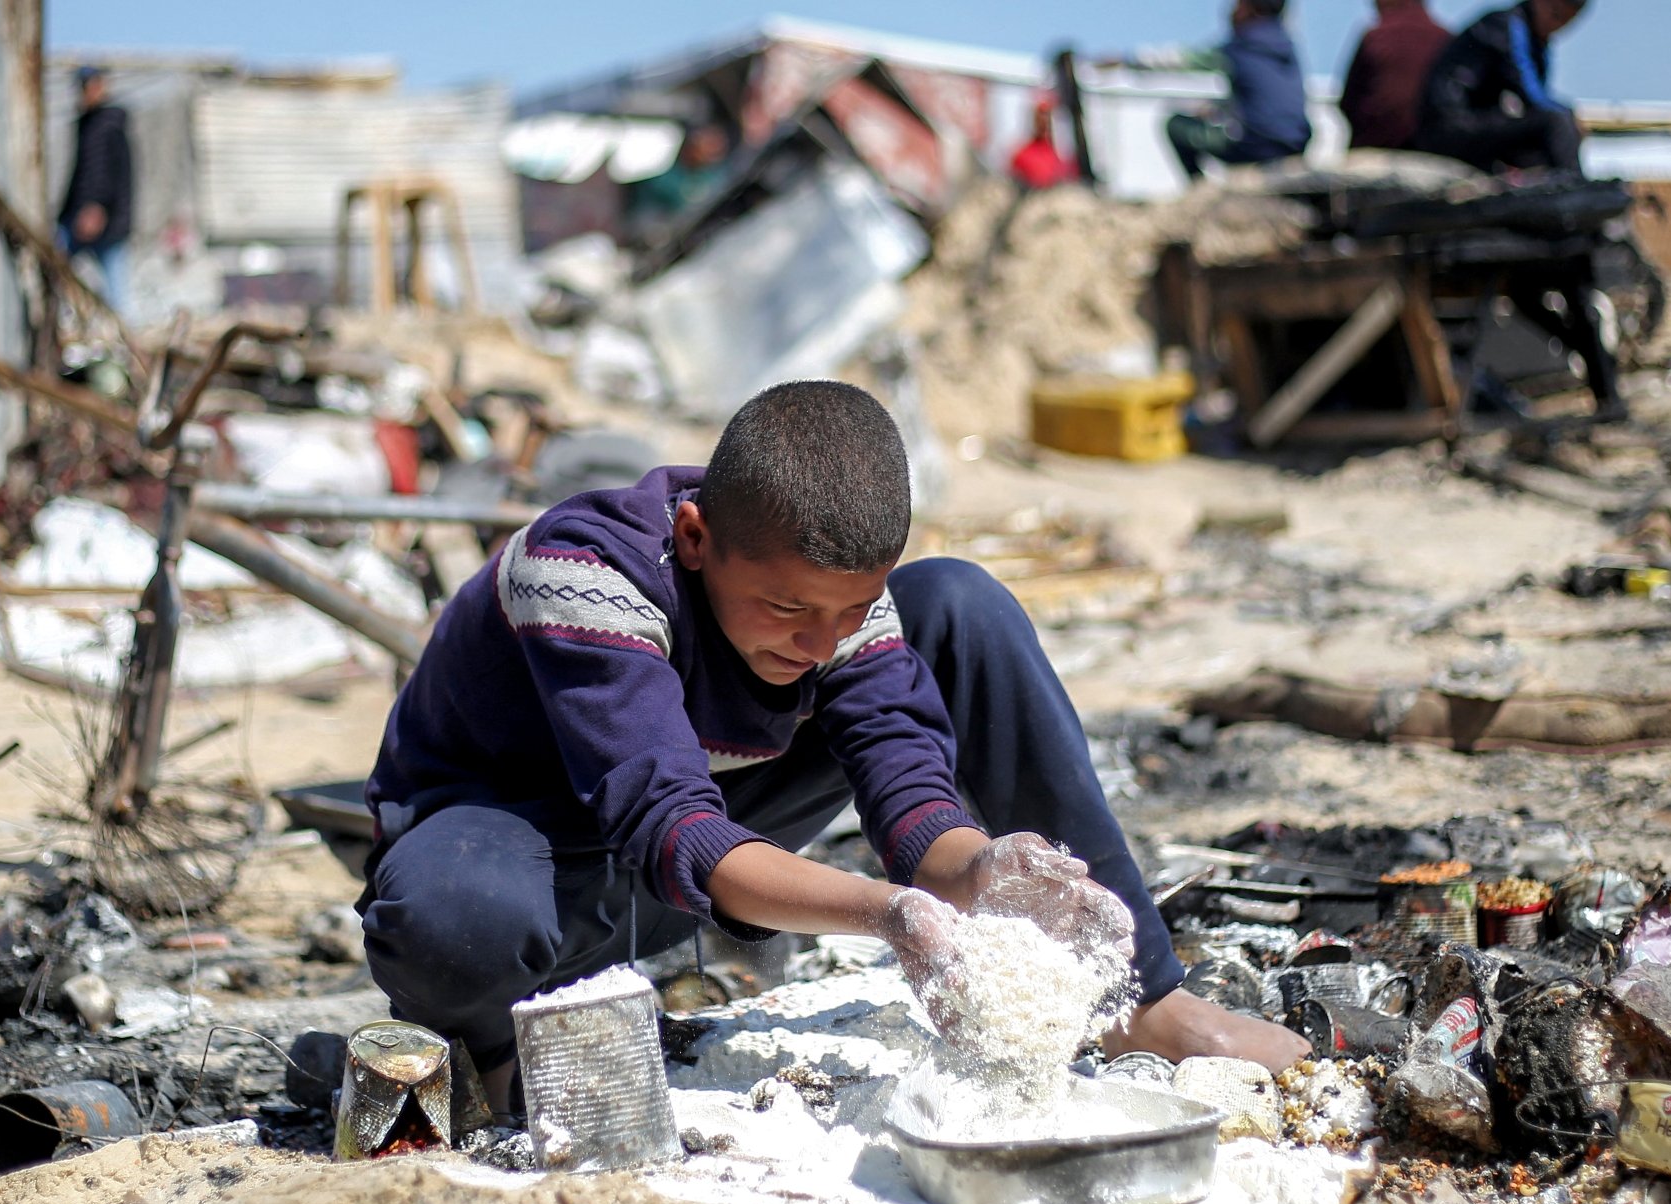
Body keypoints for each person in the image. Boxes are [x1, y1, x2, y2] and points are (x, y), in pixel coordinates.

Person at [360, 381, 1308, 1115]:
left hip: (692, 865)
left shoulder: (839, 603)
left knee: (962, 604)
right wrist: (889, 913)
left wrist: (980, 871)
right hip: (527, 860)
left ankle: (1140, 1001)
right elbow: (671, 824)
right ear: (694, 537)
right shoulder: (583, 569)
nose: (819, 644)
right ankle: (490, 1053)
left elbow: (910, 793)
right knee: (457, 918)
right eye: (786, 608)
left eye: (849, 611)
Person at [1409, 0, 1587, 173]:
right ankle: (1576, 186)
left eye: (1566, 21)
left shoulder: (1534, 38)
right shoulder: (1507, 25)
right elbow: (1528, 90)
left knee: (1539, 151)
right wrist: (1568, 116)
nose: (1556, 25)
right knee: (1556, 120)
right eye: (1555, 14)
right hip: (1449, 128)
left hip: (1475, 124)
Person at [1163, 0, 1313, 183]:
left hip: (1253, 144)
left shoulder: (1239, 47)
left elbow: (1186, 60)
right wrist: (1218, 109)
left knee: (1175, 125)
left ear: (1254, 10)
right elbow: (1263, 97)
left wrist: (1138, 59)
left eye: (1238, 5)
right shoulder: (1287, 47)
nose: (1231, 12)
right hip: (1295, 144)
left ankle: (1200, 188)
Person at [57, 66, 134, 312]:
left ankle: (125, 332)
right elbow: (80, 175)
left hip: (103, 220)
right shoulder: (89, 124)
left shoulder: (107, 125)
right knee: (55, 268)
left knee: (117, 292)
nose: (85, 93)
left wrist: (96, 207)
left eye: (89, 86)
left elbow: (102, 173)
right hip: (81, 216)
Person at [1338, 0, 1453, 151]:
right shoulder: (1445, 38)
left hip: (1376, 143)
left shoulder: (1375, 37)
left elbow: (1349, 101)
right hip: (1432, 145)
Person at [1009, 95, 1078, 190]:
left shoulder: (1063, 157)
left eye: (1048, 116)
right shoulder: (1022, 156)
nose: (1045, 121)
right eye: (1041, 115)